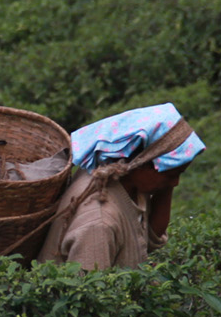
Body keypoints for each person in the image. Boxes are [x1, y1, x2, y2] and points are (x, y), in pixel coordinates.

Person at [39, 103, 205, 270]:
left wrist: (167, 180)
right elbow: (91, 292)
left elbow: (151, 239)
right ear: (137, 164)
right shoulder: (100, 223)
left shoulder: (124, 179)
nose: (175, 183)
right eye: (170, 175)